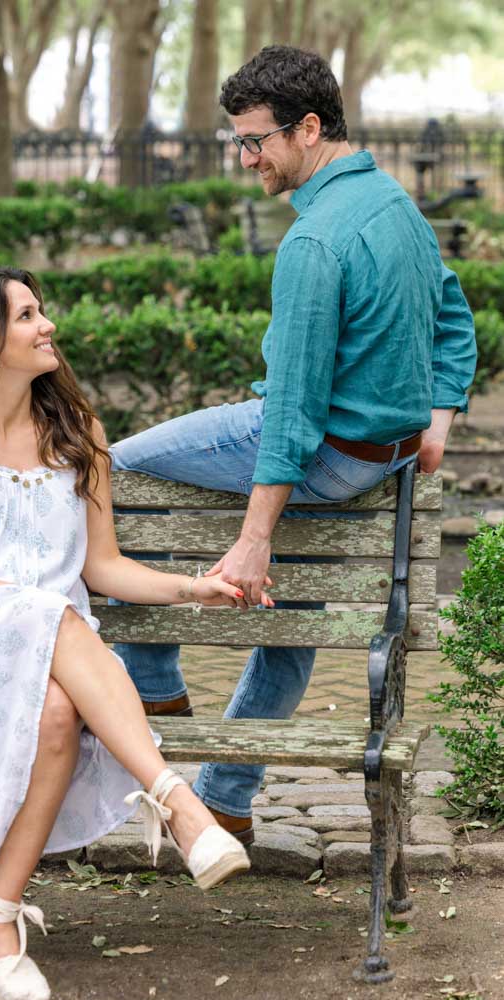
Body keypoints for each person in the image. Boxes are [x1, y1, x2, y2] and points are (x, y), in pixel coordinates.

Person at [110, 46, 477, 842]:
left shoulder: (314, 245)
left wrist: (252, 540)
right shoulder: (392, 203)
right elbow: (454, 311)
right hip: (380, 459)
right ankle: (225, 804)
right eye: (238, 142)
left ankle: (157, 682)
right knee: (293, 624)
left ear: (308, 129)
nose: (246, 160)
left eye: (255, 141)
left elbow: (292, 418)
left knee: (111, 471)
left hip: (327, 454)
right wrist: (439, 419)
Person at [0, 266, 258, 1000]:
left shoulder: (78, 434)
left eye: (40, 311)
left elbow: (104, 566)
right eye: (25, 316)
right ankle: (177, 806)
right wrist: (16, 601)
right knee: (48, 610)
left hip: (53, 648)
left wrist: (192, 588)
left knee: (57, 709)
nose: (46, 325)